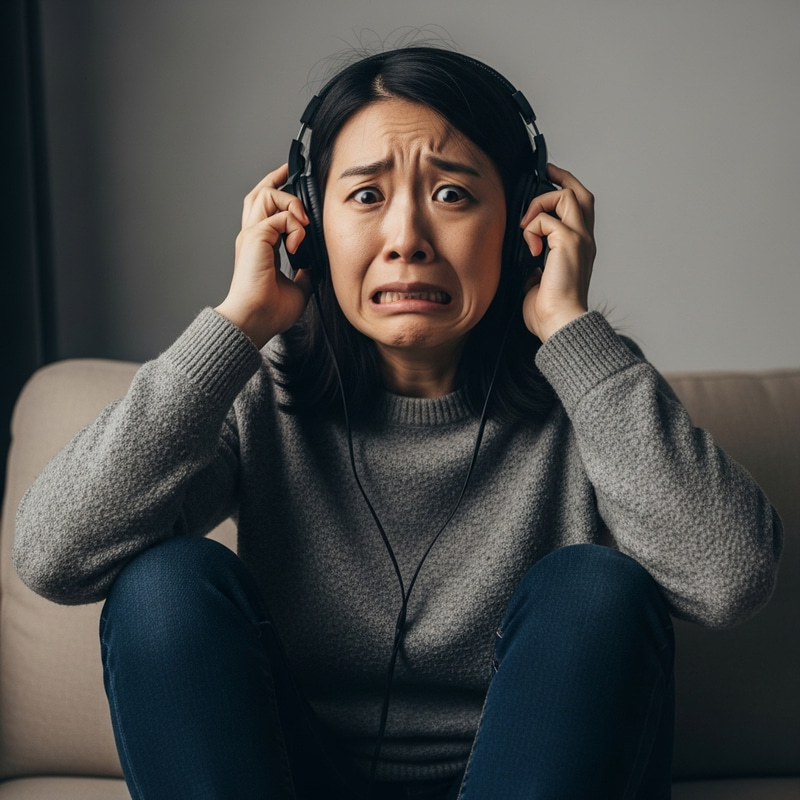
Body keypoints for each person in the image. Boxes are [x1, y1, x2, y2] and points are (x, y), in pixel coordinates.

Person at [14, 47, 782, 800]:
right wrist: (238, 324)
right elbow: (55, 554)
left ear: (524, 221)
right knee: (163, 584)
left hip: (530, 774)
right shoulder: (260, 388)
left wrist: (572, 330)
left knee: (598, 588)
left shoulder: (591, 388)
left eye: (452, 195)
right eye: (366, 196)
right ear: (309, 224)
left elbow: (730, 581)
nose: (408, 237)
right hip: (294, 775)